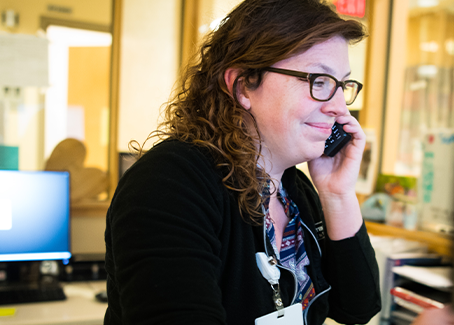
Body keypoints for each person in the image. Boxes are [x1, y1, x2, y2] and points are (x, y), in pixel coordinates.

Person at [104, 0, 381, 324]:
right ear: (242, 85)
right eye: (319, 81)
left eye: (342, 85)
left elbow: (358, 308)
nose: (339, 108)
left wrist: (337, 196)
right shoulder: (166, 185)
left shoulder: (295, 190)